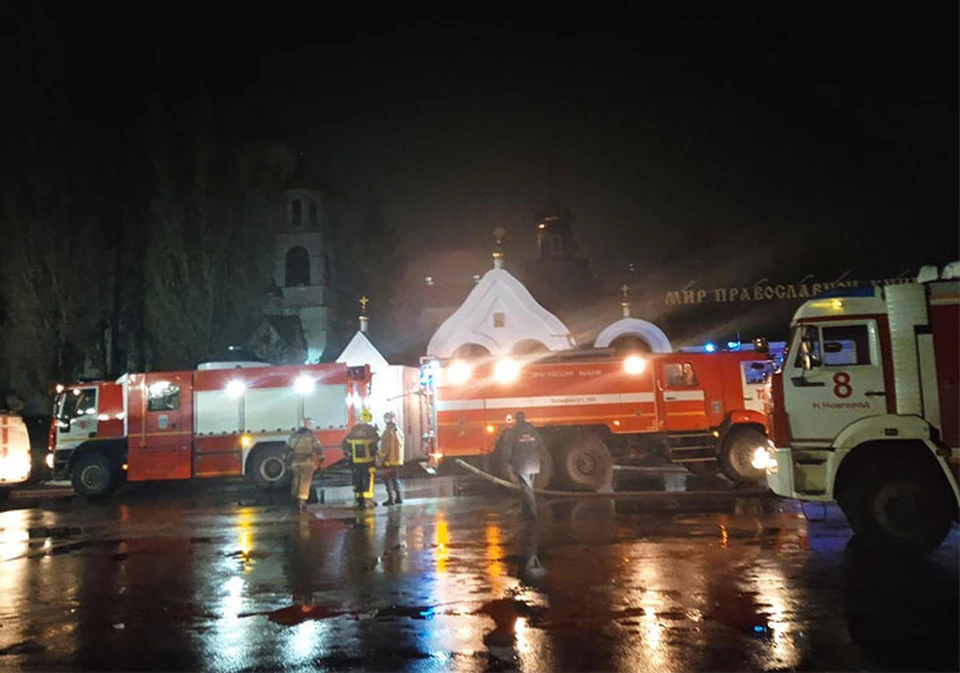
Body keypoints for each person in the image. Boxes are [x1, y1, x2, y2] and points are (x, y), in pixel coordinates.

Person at [503, 411, 542, 519]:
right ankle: (526, 511)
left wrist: (508, 464)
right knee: (528, 486)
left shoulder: (513, 431)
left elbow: (508, 449)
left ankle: (533, 513)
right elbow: (540, 443)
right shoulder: (533, 431)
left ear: (516, 419)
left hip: (521, 463)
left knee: (527, 488)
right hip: (534, 463)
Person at [342, 409, 380, 508]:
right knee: (368, 480)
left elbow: (345, 443)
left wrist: (348, 454)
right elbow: (376, 444)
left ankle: (359, 500)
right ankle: (368, 501)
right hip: (368, 461)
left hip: (355, 461)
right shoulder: (372, 430)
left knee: (357, 480)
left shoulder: (354, 430)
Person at [288, 418, 324, 513]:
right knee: (305, 483)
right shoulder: (311, 436)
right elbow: (318, 448)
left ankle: (293, 500)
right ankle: (302, 503)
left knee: (296, 480)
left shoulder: (294, 436)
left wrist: (287, 462)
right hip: (307, 462)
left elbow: (287, 449)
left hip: (295, 462)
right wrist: (320, 459)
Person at [377, 411, 405, 506]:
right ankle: (399, 497)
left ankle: (391, 499)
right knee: (396, 479)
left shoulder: (387, 433)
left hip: (388, 461)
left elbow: (385, 448)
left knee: (388, 479)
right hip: (397, 461)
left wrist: (380, 460)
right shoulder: (399, 431)